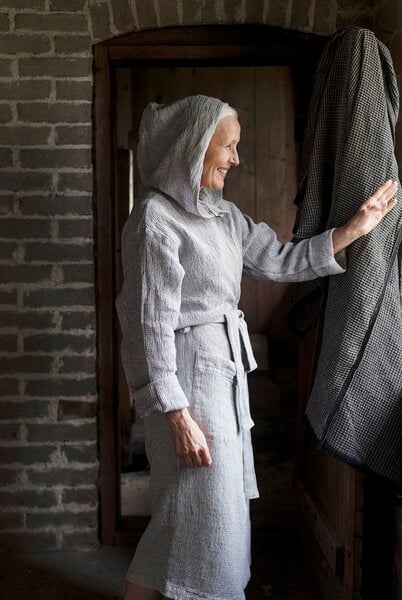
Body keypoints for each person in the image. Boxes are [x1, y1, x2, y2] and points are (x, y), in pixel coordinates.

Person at [115, 95, 397, 600]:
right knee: (201, 517)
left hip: (222, 378)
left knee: (184, 520)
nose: (237, 159)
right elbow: (148, 326)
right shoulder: (155, 220)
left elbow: (280, 261)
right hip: (186, 387)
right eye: (228, 146)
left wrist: (355, 229)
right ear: (194, 146)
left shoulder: (223, 216)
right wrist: (176, 415)